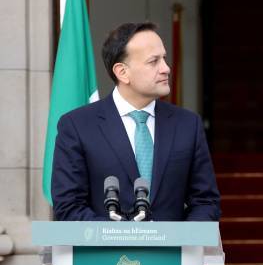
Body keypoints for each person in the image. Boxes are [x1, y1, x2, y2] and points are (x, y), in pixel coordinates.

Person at [52, 22, 220, 221]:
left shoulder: (188, 125)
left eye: (164, 58)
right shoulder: (77, 126)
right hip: (106, 252)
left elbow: (205, 202)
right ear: (122, 72)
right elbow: (69, 207)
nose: (166, 68)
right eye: (153, 61)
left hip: (172, 252)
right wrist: (123, 238)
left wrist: (181, 243)